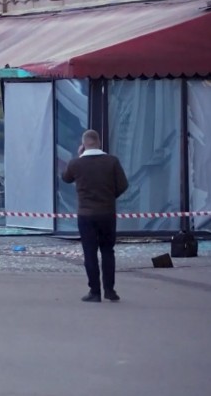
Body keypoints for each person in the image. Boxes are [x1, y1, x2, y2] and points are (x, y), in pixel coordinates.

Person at [62, 129, 129, 303]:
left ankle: (94, 291)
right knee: (108, 251)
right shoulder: (112, 161)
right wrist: (109, 196)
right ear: (99, 142)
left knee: (90, 253)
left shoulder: (76, 164)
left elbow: (66, 178)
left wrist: (78, 156)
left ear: (83, 145)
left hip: (86, 215)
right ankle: (110, 290)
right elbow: (123, 184)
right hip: (107, 213)